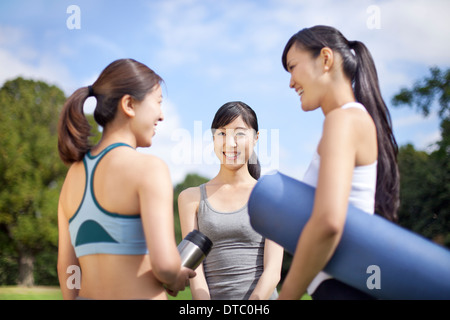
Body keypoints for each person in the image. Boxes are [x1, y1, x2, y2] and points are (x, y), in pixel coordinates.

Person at [57, 58, 195, 300]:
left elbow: (67, 266)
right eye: (158, 103)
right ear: (129, 104)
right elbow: (164, 265)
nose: (161, 116)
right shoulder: (150, 169)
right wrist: (176, 275)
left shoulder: (73, 174)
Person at [278, 26, 399, 300]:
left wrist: (287, 296)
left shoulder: (343, 120)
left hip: (342, 289)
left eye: (293, 67)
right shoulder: (350, 120)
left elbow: (328, 222)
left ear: (325, 59)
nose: (290, 82)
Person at [178, 101, 284, 300]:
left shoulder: (271, 196)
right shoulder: (190, 198)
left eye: (240, 133)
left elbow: (272, 272)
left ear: (255, 139)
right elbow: (195, 271)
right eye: (222, 133)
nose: (230, 143)